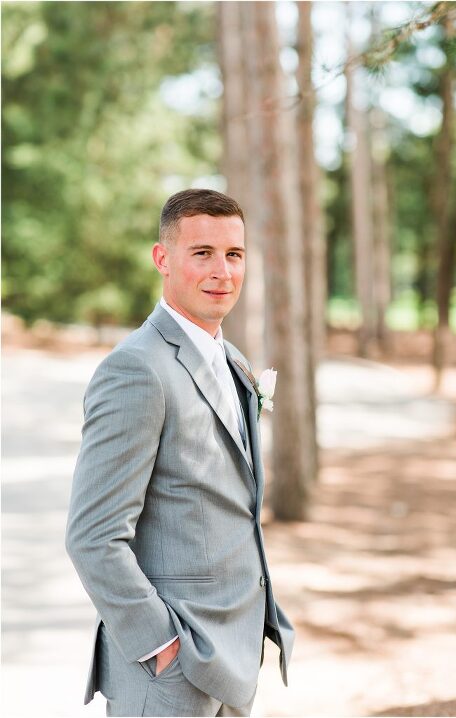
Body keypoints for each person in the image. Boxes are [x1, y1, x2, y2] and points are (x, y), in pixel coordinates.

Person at [65, 188, 295, 717]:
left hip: (232, 658)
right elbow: (93, 536)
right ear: (163, 259)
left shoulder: (232, 359)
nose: (222, 271)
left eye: (233, 254)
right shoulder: (136, 369)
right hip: (169, 671)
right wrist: (162, 647)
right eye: (202, 253)